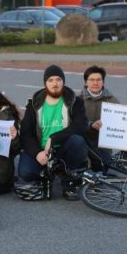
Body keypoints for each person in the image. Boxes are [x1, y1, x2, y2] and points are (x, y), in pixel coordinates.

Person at [18, 64, 88, 201]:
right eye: (50, 80)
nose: (54, 84)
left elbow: (82, 125)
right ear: (45, 83)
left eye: (58, 79)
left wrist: (54, 138)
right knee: (25, 172)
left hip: (62, 148)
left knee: (77, 141)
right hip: (41, 149)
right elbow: (25, 133)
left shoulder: (74, 101)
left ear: (63, 82)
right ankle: (45, 175)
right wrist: (37, 152)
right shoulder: (34, 104)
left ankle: (69, 182)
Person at [79, 65, 120, 169]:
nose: (95, 83)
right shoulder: (77, 100)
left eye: (98, 80)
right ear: (86, 82)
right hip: (83, 142)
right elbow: (74, 122)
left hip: (103, 143)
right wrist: (91, 125)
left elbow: (126, 116)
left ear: (103, 82)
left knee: (103, 168)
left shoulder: (112, 100)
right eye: (92, 80)